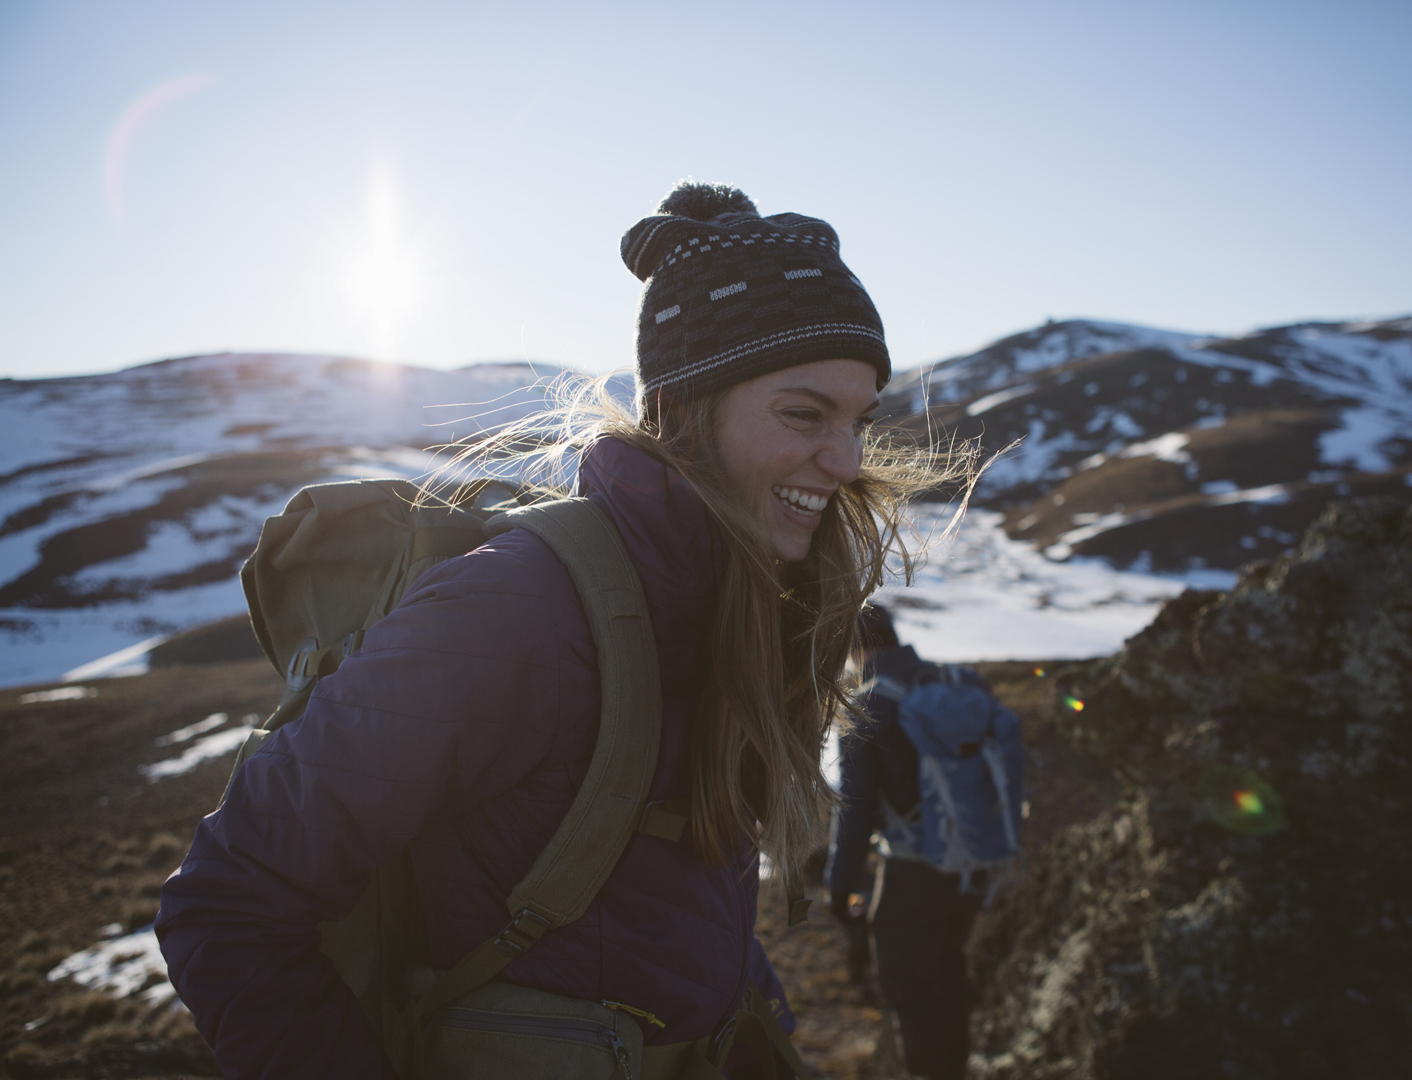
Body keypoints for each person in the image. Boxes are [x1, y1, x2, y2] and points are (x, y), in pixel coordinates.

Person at [156, 182, 971, 1079]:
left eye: (860, 419)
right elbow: (228, 899)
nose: (848, 461)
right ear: (679, 415)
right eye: (803, 414)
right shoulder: (524, 614)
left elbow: (680, 914)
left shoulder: (737, 605)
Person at [826, 605, 1009, 1080]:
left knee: (910, 994)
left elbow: (856, 809)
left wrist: (839, 887)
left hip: (912, 877)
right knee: (950, 977)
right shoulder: (950, 683)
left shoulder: (867, 703)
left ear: (853, 649)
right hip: (971, 868)